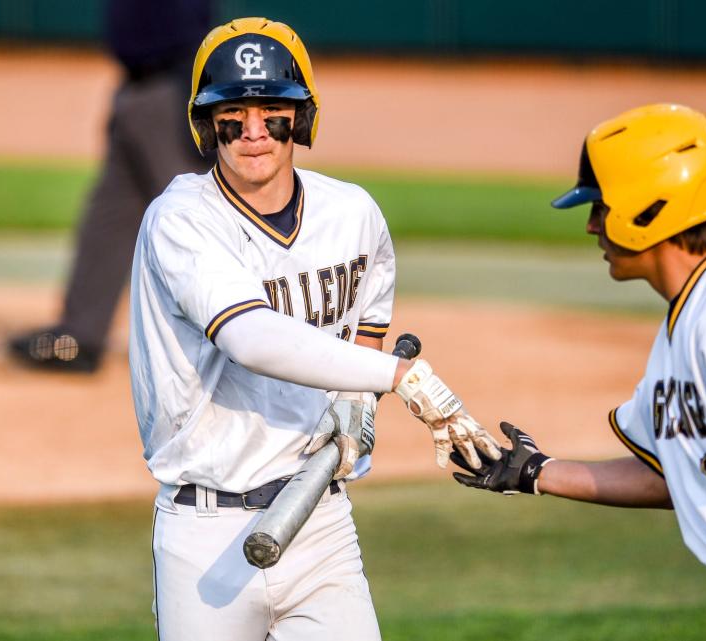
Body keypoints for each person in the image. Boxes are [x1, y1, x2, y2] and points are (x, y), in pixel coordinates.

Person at [128, 17, 501, 641]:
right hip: (205, 533)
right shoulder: (182, 219)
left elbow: (368, 319)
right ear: (205, 122)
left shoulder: (351, 212)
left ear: (300, 118)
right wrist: (396, 378)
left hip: (321, 526)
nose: (252, 131)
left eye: (272, 110)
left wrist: (357, 399)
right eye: (232, 112)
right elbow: (251, 339)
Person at [452, 104, 706, 641]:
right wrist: (538, 472)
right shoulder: (689, 320)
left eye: (601, 208)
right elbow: (673, 474)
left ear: (647, 210)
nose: (590, 225)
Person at [7, 0, 213, 372]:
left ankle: (249, 337)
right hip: (136, 84)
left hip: (174, 83)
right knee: (110, 215)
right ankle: (80, 336)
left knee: (196, 222)